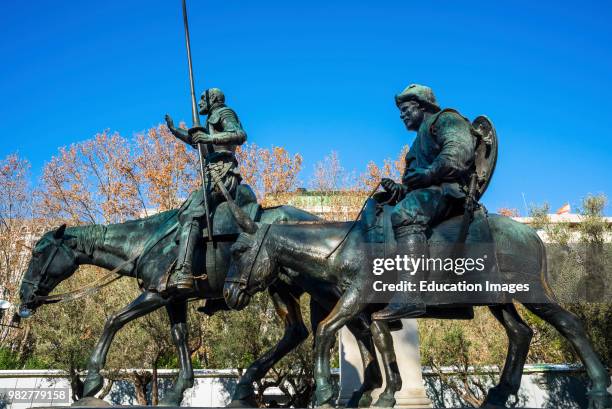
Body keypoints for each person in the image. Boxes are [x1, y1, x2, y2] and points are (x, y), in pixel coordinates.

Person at [372, 84, 476, 320]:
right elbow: (413, 186)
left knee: (405, 213)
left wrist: (429, 173)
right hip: (428, 193)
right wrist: (398, 189)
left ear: (421, 106)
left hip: (448, 192)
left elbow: (458, 153)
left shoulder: (446, 119)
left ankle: (409, 297)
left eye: (406, 108)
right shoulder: (417, 142)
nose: (401, 115)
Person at [164, 88, 246, 294]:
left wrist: (209, 139)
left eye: (204, 98)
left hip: (223, 175)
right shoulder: (212, 119)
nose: (200, 101)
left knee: (192, 214)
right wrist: (176, 131)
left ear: (214, 99)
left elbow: (239, 135)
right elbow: (197, 142)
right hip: (212, 175)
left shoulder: (223, 113)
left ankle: (184, 270)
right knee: (186, 212)